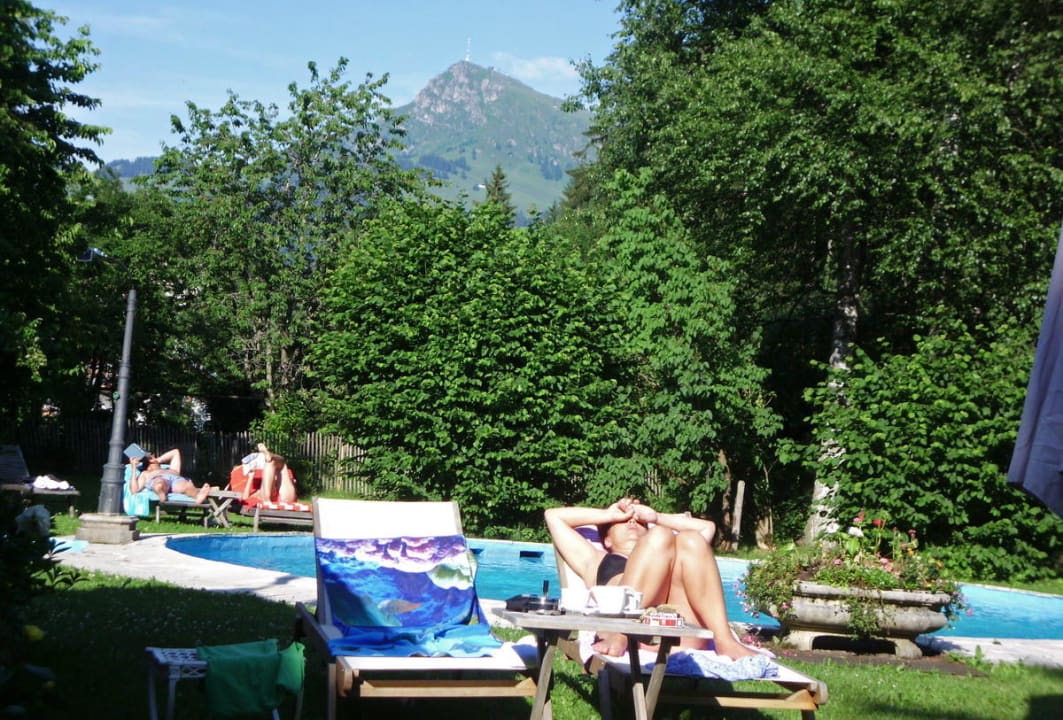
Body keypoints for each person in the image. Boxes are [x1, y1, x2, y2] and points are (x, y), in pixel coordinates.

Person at [545, 497, 758, 660]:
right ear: (607, 539)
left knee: (692, 540)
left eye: (637, 520)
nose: (631, 521)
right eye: (623, 521)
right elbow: (553, 516)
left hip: (682, 632)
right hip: (637, 634)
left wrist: (655, 518)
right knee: (662, 535)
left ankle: (724, 639)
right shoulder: (596, 559)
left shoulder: (670, 549)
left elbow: (706, 528)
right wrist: (610, 514)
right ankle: (621, 629)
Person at [128, 447, 211, 503]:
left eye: (153, 456)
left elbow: (175, 452)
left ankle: (198, 497)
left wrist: (158, 460)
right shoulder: (146, 473)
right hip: (158, 480)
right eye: (151, 457)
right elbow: (134, 491)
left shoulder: (171, 469)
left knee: (186, 485)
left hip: (176, 480)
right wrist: (134, 467)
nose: (153, 456)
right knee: (160, 483)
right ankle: (161, 494)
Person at [232, 443, 297, 504]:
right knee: (271, 463)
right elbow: (244, 498)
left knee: (282, 464)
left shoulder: (262, 485)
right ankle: (270, 457)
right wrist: (251, 477)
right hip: (280, 496)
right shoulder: (255, 491)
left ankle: (270, 457)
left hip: (280, 494)